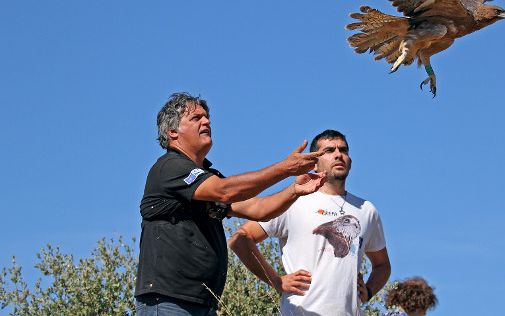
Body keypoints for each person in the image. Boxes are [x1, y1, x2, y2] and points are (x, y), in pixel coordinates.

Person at [135, 93, 326, 316]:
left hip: (203, 305)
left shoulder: (206, 177)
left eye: (207, 117)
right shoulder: (170, 167)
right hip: (169, 302)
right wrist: (285, 168)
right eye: (196, 118)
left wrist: (294, 190)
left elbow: (259, 209)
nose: (206, 121)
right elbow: (224, 191)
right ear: (173, 132)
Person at [229, 129, 391, 316]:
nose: (339, 154)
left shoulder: (366, 210)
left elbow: (383, 265)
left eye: (344, 150)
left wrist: (368, 291)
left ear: (350, 161)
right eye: (329, 151)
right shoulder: (293, 201)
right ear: (315, 163)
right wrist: (275, 280)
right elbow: (241, 239)